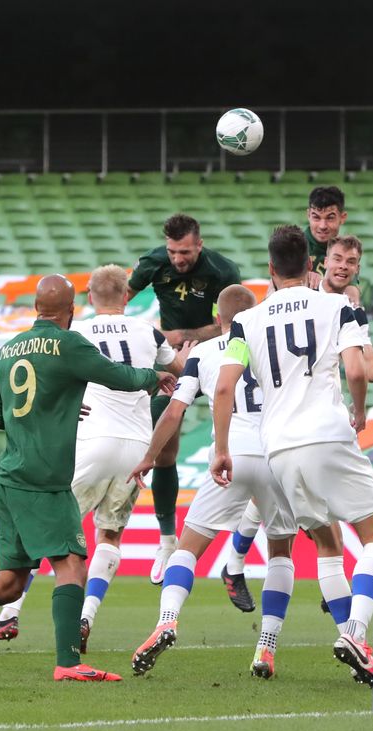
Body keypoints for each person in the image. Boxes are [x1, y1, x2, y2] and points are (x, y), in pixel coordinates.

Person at [0, 274, 173, 682]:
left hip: (10, 477)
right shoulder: (69, 343)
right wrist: (153, 378)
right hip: (44, 480)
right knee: (73, 565)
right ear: (72, 310)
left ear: (36, 308)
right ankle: (69, 663)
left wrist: (50, 408)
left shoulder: (7, 350)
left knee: (9, 583)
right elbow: (115, 375)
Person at [0, 265, 187, 652]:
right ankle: (86, 616)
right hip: (136, 446)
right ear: (127, 296)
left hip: (90, 443)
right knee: (110, 534)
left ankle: (9, 613)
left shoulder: (72, 335)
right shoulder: (148, 332)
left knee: (46, 533)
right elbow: (178, 369)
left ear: (89, 298)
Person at [211, 225, 373, 686]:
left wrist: (222, 448)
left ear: (270, 270)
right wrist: (359, 412)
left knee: (327, 546)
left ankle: (354, 642)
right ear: (311, 265)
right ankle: (357, 633)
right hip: (327, 434)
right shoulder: (336, 305)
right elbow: (357, 369)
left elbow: (225, 386)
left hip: (278, 449)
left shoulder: (247, 320)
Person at [128, 285, 299, 680]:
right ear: (252, 315)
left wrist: (150, 458)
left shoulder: (204, 353)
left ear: (218, 319)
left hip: (230, 456)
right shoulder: (276, 345)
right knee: (280, 553)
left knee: (187, 549)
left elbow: (173, 412)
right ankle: (266, 646)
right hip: (275, 456)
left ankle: (167, 620)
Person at [127, 213, 242, 584]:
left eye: (186, 252)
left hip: (214, 356)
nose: (178, 259)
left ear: (200, 245)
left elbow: (234, 321)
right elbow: (119, 300)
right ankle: (166, 539)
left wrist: (183, 333)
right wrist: (156, 339)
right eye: (174, 252)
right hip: (171, 362)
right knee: (164, 449)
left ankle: (246, 540)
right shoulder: (152, 263)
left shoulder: (223, 270)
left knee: (245, 432)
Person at [305, 186, 348, 277]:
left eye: (330, 218)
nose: (322, 226)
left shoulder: (347, 252)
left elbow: (352, 289)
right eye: (316, 217)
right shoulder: (292, 248)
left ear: (342, 217)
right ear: (308, 215)